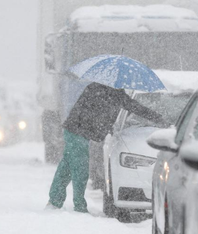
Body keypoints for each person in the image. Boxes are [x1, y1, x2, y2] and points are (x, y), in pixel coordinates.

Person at [48, 82, 165, 213]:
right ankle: (79, 206)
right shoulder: (99, 90)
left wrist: (158, 118)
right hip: (77, 131)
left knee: (67, 167)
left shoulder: (110, 93)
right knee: (80, 169)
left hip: (75, 131)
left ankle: (54, 201)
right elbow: (91, 112)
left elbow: (135, 108)